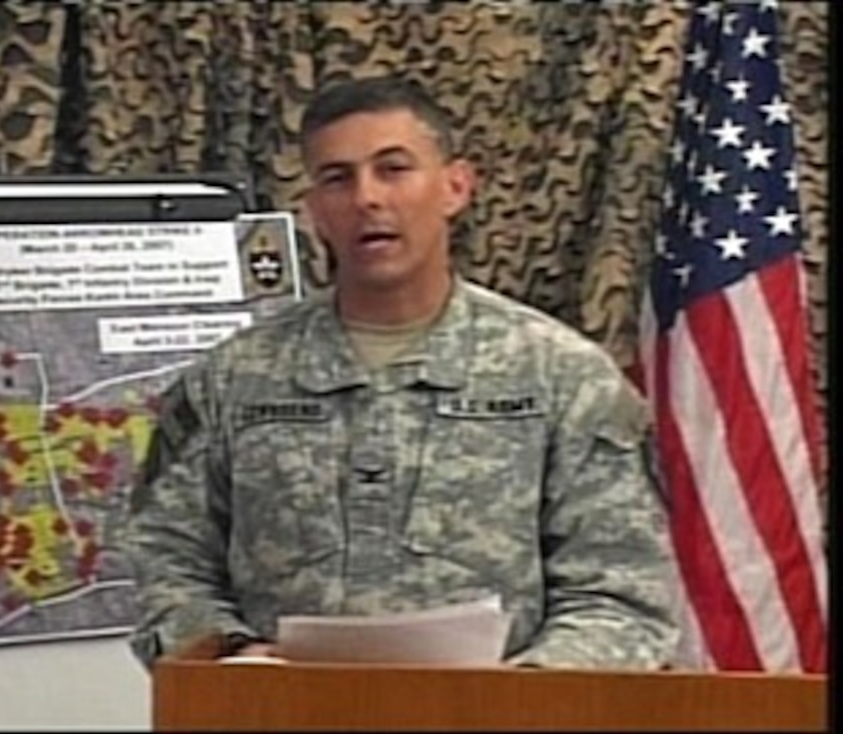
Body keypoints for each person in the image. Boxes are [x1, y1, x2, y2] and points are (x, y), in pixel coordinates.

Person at [124, 74, 679, 670]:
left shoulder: (562, 377)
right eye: (338, 178)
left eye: (393, 169)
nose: (367, 198)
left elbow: (622, 594)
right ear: (314, 211)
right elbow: (164, 561)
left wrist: (521, 694)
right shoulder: (232, 379)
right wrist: (236, 659)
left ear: (455, 187)